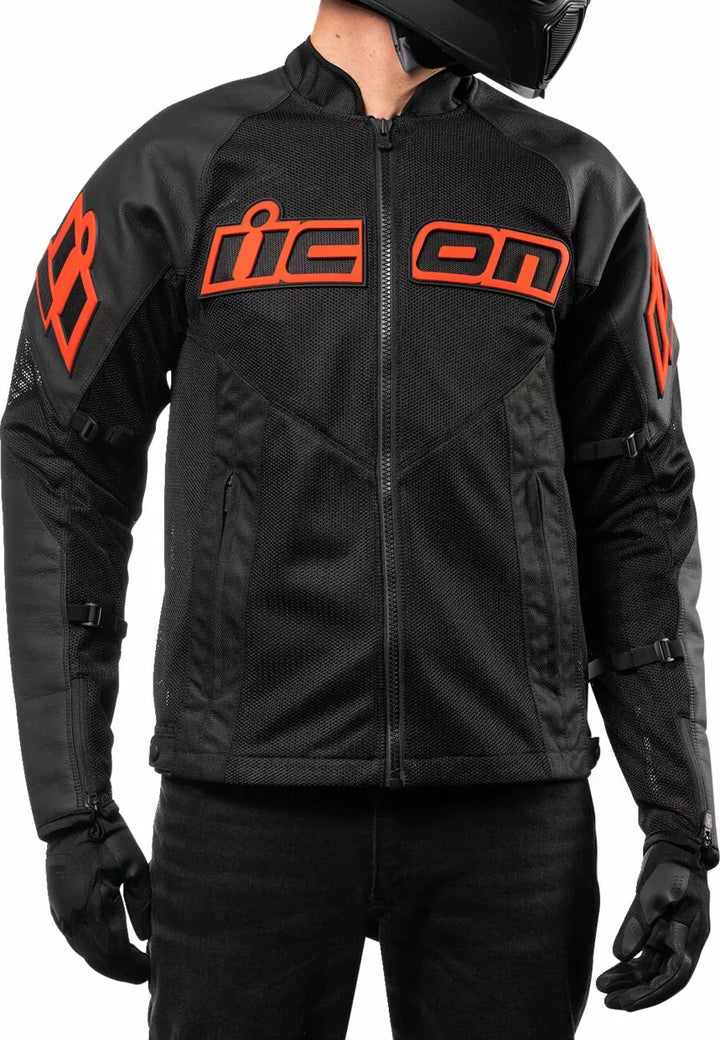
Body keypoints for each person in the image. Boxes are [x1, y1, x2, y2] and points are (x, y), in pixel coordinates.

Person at [1, 1, 717, 1037]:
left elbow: (638, 497)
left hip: (508, 816)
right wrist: (72, 804)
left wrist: (679, 818)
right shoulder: (183, 169)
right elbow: (61, 448)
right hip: (247, 805)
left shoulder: (575, 187)